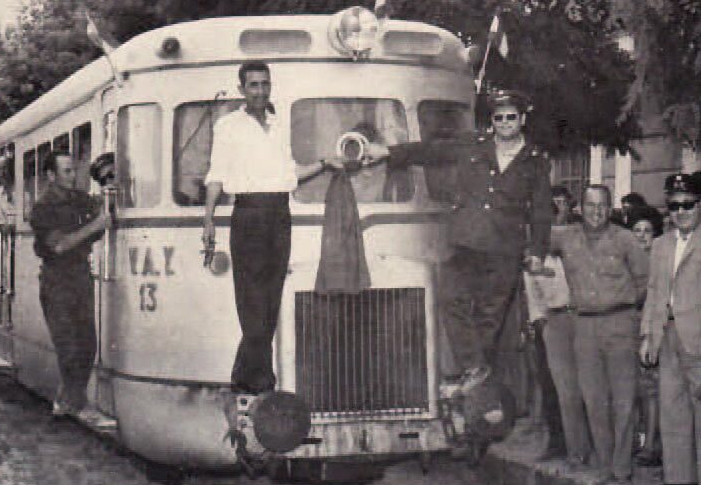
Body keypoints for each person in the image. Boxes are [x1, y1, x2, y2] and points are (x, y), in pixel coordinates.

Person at [366, 90, 552, 394]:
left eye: (511, 117)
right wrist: (388, 152)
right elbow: (431, 151)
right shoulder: (473, 145)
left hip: (504, 249)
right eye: (499, 117)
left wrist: (537, 252)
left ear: (522, 119)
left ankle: (477, 381)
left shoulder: (534, 161)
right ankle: (475, 367)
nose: (504, 123)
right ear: (492, 121)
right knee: (451, 298)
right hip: (467, 241)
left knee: (489, 319)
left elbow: (542, 210)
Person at [201, 61, 343, 393]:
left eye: (265, 84)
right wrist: (207, 221)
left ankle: (244, 376)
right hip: (249, 214)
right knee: (251, 300)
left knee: (270, 297)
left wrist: (324, 164)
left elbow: (288, 175)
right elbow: (217, 174)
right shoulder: (228, 126)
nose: (261, 91)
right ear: (241, 90)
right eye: (253, 85)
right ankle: (260, 382)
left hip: (280, 213)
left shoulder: (279, 125)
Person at [546, 185, 649, 485]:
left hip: (619, 323)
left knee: (623, 399)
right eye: (590, 205)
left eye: (602, 206)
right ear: (581, 208)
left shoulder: (626, 240)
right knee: (593, 400)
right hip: (584, 327)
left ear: (610, 209)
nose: (596, 211)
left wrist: (624, 303)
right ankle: (604, 466)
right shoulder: (565, 238)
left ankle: (621, 470)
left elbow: (645, 281)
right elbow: (533, 236)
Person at [30, 151, 110, 415]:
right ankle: (69, 403)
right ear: (51, 176)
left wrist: (110, 188)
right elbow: (60, 245)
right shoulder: (42, 208)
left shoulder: (79, 199)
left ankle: (70, 400)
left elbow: (101, 207)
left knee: (88, 344)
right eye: (66, 171)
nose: (73, 175)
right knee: (68, 345)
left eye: (74, 170)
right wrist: (97, 225)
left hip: (80, 276)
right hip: (56, 280)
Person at [641, 173, 701, 485]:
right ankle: (680, 481)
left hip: (697, 336)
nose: (681, 212)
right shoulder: (662, 244)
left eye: (688, 205)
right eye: (675, 206)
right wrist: (648, 336)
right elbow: (654, 291)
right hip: (668, 334)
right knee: (673, 407)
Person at [525, 187, 591, 466]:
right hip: (551, 324)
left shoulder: (577, 245)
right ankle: (559, 443)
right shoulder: (532, 259)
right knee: (554, 387)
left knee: (588, 385)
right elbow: (533, 296)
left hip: (583, 320)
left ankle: (589, 445)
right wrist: (541, 325)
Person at [626, 205, 664, 467]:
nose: (641, 236)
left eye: (647, 231)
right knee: (632, 389)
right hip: (625, 328)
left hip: (650, 329)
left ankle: (651, 444)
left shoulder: (659, 261)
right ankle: (637, 440)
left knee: (651, 389)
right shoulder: (625, 260)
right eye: (636, 231)